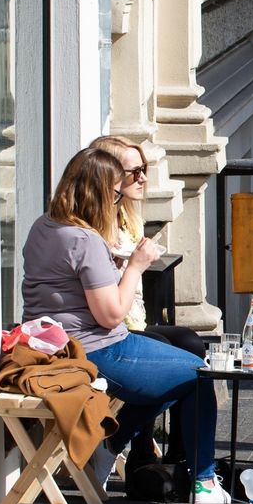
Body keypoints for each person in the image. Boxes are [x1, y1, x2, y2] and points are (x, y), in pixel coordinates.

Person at [20, 148, 228, 504]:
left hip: (54, 344)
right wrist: (135, 265)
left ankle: (108, 448)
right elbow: (111, 315)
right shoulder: (84, 240)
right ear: (99, 192)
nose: (118, 199)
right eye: (114, 193)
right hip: (97, 347)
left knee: (176, 371)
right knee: (198, 376)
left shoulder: (45, 226)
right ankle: (204, 483)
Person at [89, 135, 207, 474]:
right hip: (110, 328)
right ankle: (132, 446)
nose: (143, 178)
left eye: (145, 169)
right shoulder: (94, 228)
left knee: (189, 342)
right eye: (134, 171)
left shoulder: (128, 217)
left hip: (131, 320)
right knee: (174, 357)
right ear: (110, 177)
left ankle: (179, 454)